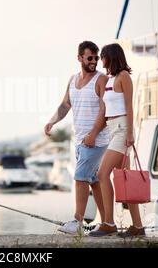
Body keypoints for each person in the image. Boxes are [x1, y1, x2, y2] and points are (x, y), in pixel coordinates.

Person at [44, 41, 109, 235]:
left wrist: (93, 134)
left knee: (80, 177)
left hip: (96, 141)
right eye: (90, 58)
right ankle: (107, 222)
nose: (94, 61)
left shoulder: (101, 79)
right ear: (79, 57)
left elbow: (105, 110)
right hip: (80, 141)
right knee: (94, 181)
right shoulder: (73, 80)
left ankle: (77, 222)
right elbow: (65, 105)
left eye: (96, 58)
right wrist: (52, 121)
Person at [88, 43, 145, 237]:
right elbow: (107, 111)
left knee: (102, 173)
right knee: (125, 179)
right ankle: (138, 226)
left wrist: (129, 134)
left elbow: (129, 108)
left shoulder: (124, 77)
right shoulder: (110, 79)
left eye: (102, 56)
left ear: (110, 57)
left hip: (122, 130)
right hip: (113, 129)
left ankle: (109, 223)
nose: (100, 60)